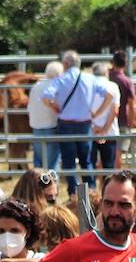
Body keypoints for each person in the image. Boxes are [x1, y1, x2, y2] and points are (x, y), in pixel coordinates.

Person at [41, 51, 102, 198]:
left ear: (65, 64)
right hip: (85, 124)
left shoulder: (61, 79)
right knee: (86, 160)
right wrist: (97, 113)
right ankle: (91, 190)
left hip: (66, 124)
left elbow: (45, 96)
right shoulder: (90, 78)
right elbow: (109, 95)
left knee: (69, 161)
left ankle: (73, 192)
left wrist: (55, 107)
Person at [28, 61, 63, 171]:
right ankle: (52, 187)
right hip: (52, 126)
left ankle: (39, 187)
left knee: (39, 163)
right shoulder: (57, 86)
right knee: (52, 164)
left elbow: (30, 106)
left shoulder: (36, 86)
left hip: (36, 127)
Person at [90, 62, 120, 174]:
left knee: (89, 165)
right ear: (106, 73)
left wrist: (93, 127)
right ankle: (107, 190)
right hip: (110, 131)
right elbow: (115, 110)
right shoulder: (113, 86)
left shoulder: (88, 86)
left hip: (91, 131)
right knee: (109, 167)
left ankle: (90, 189)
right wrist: (104, 130)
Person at [109, 50, 136, 167]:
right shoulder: (127, 82)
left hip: (106, 120)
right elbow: (131, 104)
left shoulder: (106, 78)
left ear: (113, 63)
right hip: (122, 120)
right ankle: (115, 178)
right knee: (118, 153)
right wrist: (132, 120)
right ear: (125, 64)